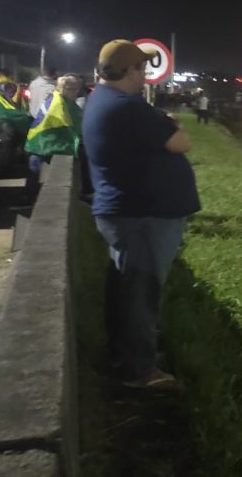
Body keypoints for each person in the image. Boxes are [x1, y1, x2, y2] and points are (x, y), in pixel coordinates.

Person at [83, 40, 200, 391]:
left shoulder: (107, 101)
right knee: (140, 294)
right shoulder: (127, 108)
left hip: (130, 212)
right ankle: (140, 371)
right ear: (130, 70)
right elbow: (181, 142)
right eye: (142, 69)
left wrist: (162, 123)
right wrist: (167, 125)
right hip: (142, 215)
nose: (146, 76)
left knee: (127, 288)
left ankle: (126, 355)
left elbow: (161, 133)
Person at [24, 75, 84, 204]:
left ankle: (29, 197)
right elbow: (72, 124)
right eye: (74, 89)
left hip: (41, 142)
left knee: (34, 171)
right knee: (39, 171)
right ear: (65, 88)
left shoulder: (57, 98)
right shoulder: (60, 103)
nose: (76, 92)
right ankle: (30, 198)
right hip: (49, 143)